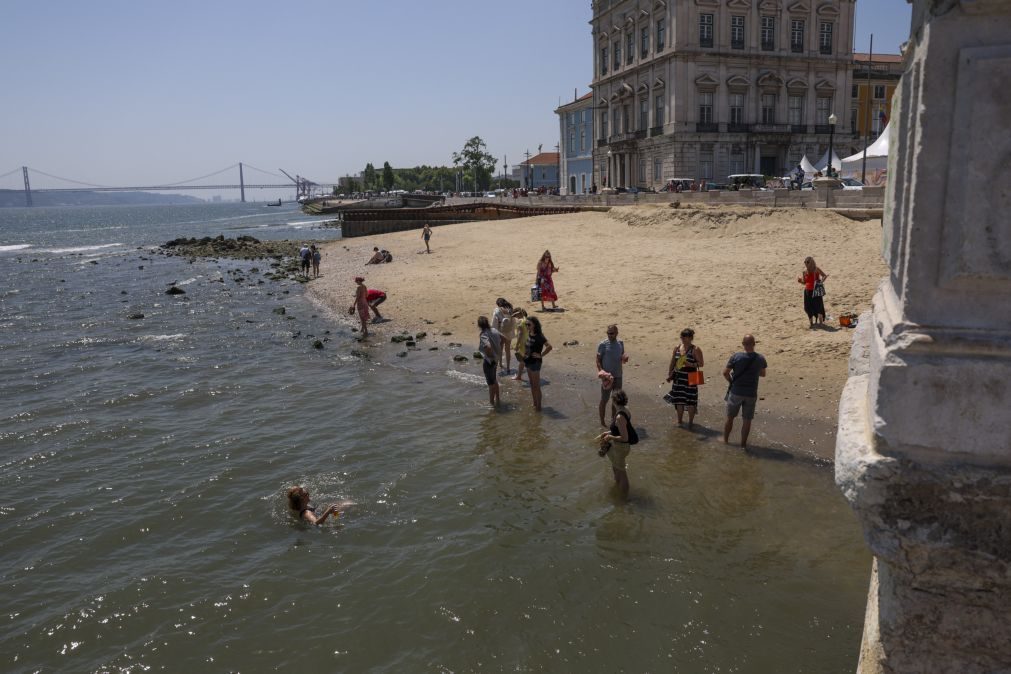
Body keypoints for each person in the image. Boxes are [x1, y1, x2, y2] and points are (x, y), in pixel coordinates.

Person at [722, 334, 768, 449]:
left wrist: (731, 382)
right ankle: (743, 445)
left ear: (743, 344)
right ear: (754, 344)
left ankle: (725, 441)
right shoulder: (760, 358)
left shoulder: (736, 357)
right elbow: (763, 374)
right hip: (751, 393)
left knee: (730, 417)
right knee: (747, 420)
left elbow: (725, 373)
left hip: (736, 392)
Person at [665, 328, 705, 429]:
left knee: (691, 401)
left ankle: (691, 422)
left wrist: (689, 363)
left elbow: (701, 364)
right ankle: (680, 421)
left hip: (692, 377)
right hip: (679, 377)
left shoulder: (695, 349)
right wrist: (670, 373)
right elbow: (673, 361)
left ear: (690, 338)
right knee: (679, 400)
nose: (682, 338)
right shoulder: (677, 347)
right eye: (681, 336)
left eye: (684, 336)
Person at [599, 389, 633, 499]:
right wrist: (608, 432)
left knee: (622, 472)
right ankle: (618, 487)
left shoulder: (619, 417)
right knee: (616, 468)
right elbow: (621, 430)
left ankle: (624, 497)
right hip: (619, 447)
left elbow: (624, 437)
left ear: (614, 401)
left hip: (621, 447)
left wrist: (610, 437)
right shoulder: (625, 410)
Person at [595, 324, 627, 427]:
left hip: (618, 376)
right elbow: (598, 360)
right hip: (607, 378)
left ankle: (613, 422)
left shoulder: (620, 343)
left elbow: (622, 355)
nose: (610, 335)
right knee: (604, 400)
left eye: (612, 333)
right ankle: (602, 423)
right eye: (608, 333)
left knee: (616, 400)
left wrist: (624, 358)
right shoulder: (603, 344)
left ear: (617, 333)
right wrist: (602, 372)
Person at [523, 315, 552, 410]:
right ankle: (535, 403)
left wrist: (541, 355)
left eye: (528, 324)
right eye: (526, 324)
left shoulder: (539, 336)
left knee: (536, 385)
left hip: (535, 362)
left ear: (534, 325)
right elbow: (528, 346)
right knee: (532, 384)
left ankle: (539, 407)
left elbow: (549, 347)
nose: (527, 326)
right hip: (528, 361)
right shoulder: (528, 333)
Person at [477, 315, 503, 407]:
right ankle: (498, 399)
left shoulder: (484, 334)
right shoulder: (495, 330)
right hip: (496, 359)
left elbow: (487, 346)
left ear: (479, 325)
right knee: (494, 379)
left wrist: (490, 356)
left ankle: (491, 403)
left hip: (489, 361)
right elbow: (502, 339)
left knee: (490, 383)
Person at [798, 256, 829, 328]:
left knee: (819, 307)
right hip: (807, 291)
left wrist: (820, 282)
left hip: (816, 291)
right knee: (808, 307)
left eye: (808, 262)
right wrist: (800, 281)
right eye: (805, 262)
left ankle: (821, 323)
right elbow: (805, 282)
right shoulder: (804, 272)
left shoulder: (816, 269)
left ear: (811, 262)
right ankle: (811, 323)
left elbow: (824, 276)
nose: (806, 263)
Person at [492, 298, 515, 373]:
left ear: (498, 304)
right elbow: (513, 321)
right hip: (509, 332)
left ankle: (500, 364)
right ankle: (508, 367)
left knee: (500, 349)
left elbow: (494, 323)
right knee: (507, 350)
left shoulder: (498, 310)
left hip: (501, 332)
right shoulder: (511, 309)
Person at [511, 308, 529, 381]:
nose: (515, 317)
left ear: (519, 314)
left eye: (515, 315)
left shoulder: (520, 322)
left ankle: (518, 376)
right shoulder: (526, 319)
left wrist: (517, 345)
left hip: (522, 342)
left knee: (522, 360)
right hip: (528, 341)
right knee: (526, 359)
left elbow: (520, 334)